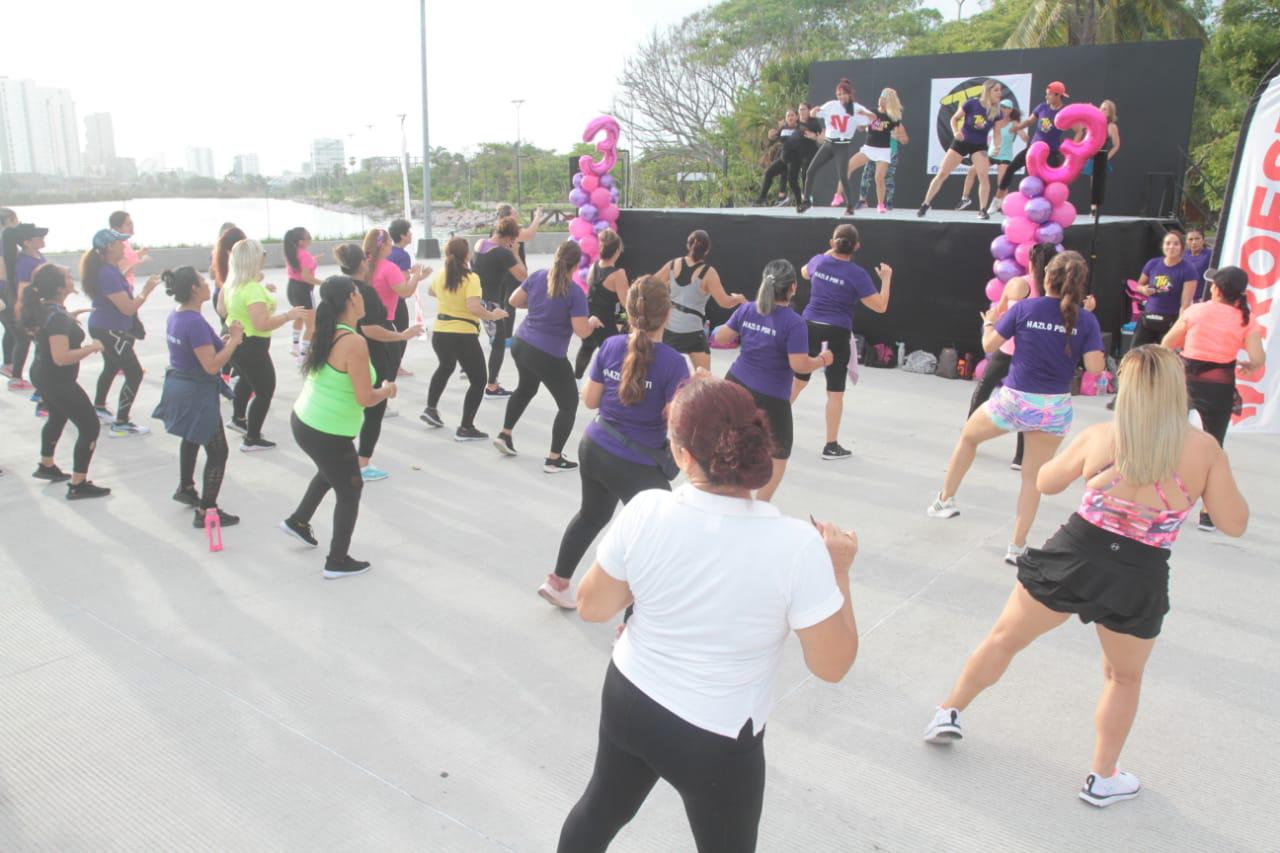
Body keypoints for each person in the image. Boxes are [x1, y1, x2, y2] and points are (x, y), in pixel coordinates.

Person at [924, 345, 1249, 808]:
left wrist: (1093, 468)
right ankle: (1102, 777)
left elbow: (1046, 482)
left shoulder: (1102, 436)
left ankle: (948, 712)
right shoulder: (1204, 450)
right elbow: (1234, 523)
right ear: (1179, 390)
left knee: (1004, 639)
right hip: (1139, 571)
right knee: (1122, 678)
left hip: (1076, 552)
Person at [557, 374, 859, 851]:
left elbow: (592, 606)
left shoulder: (647, 510)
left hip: (631, 696)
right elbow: (832, 665)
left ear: (681, 454)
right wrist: (839, 569)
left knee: (599, 809)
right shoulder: (796, 545)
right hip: (717, 736)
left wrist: (648, 579)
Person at [929, 251, 1105, 566]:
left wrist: (988, 322)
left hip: (1015, 400)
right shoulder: (1086, 319)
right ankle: (1017, 546)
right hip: (1054, 407)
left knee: (968, 437)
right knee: (1031, 478)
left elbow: (989, 346)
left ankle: (945, 500)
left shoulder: (1025, 308)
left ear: (1046, 277)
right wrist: (1085, 325)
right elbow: (1094, 368)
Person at [540, 275, 690, 608]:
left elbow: (591, 400)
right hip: (635, 465)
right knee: (655, 539)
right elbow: (677, 422)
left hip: (595, 447)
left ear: (629, 310)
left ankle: (557, 582)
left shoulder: (609, 346)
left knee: (591, 515)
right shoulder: (673, 362)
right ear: (667, 315)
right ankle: (634, 624)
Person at [280, 276, 397, 579]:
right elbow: (365, 397)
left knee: (330, 471)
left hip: (306, 420)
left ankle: (298, 521)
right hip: (326, 431)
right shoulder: (353, 342)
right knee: (350, 490)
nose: (363, 297)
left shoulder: (329, 330)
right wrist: (386, 390)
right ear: (350, 299)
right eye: (358, 293)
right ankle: (337, 561)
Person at [713, 260, 831, 502]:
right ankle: (760, 506)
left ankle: (728, 497)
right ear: (793, 288)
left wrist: (718, 328)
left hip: (735, 386)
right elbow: (799, 365)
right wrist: (822, 360)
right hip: (771, 398)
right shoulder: (794, 322)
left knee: (732, 443)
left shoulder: (747, 309)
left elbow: (721, 337)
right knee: (779, 455)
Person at [1161, 266, 1264, 531]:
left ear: (1216, 289)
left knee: (1168, 439)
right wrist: (1249, 365)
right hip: (1219, 386)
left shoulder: (1196, 311)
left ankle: (1159, 500)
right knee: (1215, 448)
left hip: (1184, 383)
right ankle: (1208, 514)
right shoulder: (1246, 319)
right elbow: (1258, 358)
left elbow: (1167, 343)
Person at [493, 240, 600, 471]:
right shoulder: (574, 292)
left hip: (522, 343)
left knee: (526, 388)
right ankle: (554, 458)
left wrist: (536, 305)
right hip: (547, 353)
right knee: (568, 403)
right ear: (576, 265)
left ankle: (505, 434)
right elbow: (582, 331)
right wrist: (591, 322)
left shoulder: (538, 276)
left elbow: (514, 301)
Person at [151, 266, 244, 527]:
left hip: (181, 387)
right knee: (218, 452)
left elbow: (199, 350)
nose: (207, 284)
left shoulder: (177, 315)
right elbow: (212, 365)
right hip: (197, 394)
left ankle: (186, 487)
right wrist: (234, 340)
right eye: (202, 281)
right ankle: (206, 510)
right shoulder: (194, 322)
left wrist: (223, 341)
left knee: (191, 437)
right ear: (194, 288)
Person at [791, 225, 892, 460]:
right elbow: (881, 306)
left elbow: (804, 272)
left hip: (808, 326)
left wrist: (829, 252)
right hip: (836, 331)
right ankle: (831, 446)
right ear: (856, 247)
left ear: (832, 243)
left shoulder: (819, 261)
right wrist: (886, 280)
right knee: (835, 393)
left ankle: (770, 430)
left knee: (797, 382)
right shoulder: (857, 274)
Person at [332, 243, 422, 481]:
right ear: (363, 262)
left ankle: (343, 458)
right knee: (373, 412)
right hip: (369, 356)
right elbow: (370, 329)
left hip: (342, 354)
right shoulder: (364, 292)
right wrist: (401, 336)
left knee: (348, 407)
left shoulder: (336, 287)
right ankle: (362, 464)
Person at [967, 243, 1059, 471]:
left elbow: (1000, 311)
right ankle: (1020, 457)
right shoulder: (1057, 291)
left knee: (985, 386)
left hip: (1009, 347)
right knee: (1027, 399)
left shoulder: (1017, 284)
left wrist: (990, 322)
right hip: (1034, 352)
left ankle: (970, 433)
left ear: (1030, 262)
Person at [22, 263, 110, 499]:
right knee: (90, 427)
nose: (72, 278)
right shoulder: (57, 318)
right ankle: (78, 484)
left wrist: (69, 317)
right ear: (60, 288)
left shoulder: (47, 309)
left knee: (57, 416)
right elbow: (61, 358)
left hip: (42, 373)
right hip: (57, 379)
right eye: (68, 276)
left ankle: (46, 465)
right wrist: (92, 347)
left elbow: (50, 331)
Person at [218, 238, 309, 450]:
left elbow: (222, 310)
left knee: (246, 380)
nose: (264, 258)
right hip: (252, 345)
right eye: (262, 254)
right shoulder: (252, 289)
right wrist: (288, 315)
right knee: (265, 390)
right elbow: (262, 324)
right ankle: (252, 438)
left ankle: (238, 418)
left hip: (235, 339)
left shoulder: (232, 284)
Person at [419, 237, 508, 441]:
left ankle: (431, 408)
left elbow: (431, 291)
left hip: (440, 332)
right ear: (467, 255)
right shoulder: (471, 278)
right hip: (462, 334)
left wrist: (449, 298)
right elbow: (474, 307)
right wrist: (493, 315)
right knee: (479, 380)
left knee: (445, 366)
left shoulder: (441, 274)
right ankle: (466, 427)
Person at [82, 228, 161, 435]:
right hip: (111, 330)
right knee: (134, 373)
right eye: (120, 243)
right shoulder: (107, 273)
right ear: (109, 247)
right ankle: (121, 422)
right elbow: (127, 308)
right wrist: (146, 290)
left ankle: (99, 407)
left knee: (111, 366)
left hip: (105, 327)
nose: (124, 246)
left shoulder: (109, 269)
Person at [654, 230, 747, 372]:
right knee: (704, 377)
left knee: (660, 372)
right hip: (692, 332)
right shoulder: (709, 272)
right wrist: (738, 298)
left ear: (688, 245)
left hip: (669, 329)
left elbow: (650, 284)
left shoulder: (673, 264)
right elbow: (724, 302)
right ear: (707, 250)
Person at [918, 79, 1004, 219]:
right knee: (942, 173)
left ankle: (982, 210)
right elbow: (954, 119)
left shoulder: (997, 112)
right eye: (996, 90)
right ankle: (925, 204)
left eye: (1000, 90)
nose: (999, 93)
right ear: (987, 91)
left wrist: (997, 146)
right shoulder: (972, 103)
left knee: (983, 176)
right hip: (962, 142)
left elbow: (997, 133)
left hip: (979, 146)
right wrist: (955, 132)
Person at [798, 79, 876, 215]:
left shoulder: (856, 108)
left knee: (843, 177)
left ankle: (850, 207)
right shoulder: (832, 105)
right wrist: (814, 111)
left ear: (849, 94)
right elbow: (814, 114)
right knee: (810, 170)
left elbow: (873, 118)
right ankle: (806, 201)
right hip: (828, 144)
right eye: (839, 94)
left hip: (842, 146)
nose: (841, 97)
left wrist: (865, 114)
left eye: (843, 94)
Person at [472, 216, 529, 398]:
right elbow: (522, 276)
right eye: (512, 240)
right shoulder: (503, 253)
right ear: (509, 237)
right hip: (491, 304)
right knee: (498, 344)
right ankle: (492, 386)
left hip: (474, 298)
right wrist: (515, 253)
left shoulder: (480, 244)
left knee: (474, 337)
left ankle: (472, 370)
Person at [363, 228, 429, 380]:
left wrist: (415, 277)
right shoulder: (389, 268)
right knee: (385, 375)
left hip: (362, 322)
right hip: (383, 322)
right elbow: (405, 292)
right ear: (383, 246)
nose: (391, 247)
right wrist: (416, 275)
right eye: (389, 243)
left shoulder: (364, 265)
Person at [994, 81, 1070, 203]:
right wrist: (1017, 127)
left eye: (1049, 94)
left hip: (1051, 153)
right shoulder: (1042, 107)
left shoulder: (1064, 112)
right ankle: (996, 201)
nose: (1046, 96)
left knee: (1051, 183)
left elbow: (1078, 130)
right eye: (1046, 94)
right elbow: (1029, 121)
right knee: (1010, 168)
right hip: (1033, 150)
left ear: (1057, 95)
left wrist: (1070, 150)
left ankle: (1048, 206)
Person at [573, 229, 629, 379]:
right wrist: (626, 320)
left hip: (589, 314)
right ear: (617, 251)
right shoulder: (618, 274)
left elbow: (595, 292)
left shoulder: (594, 266)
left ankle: (576, 380)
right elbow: (625, 303)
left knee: (587, 347)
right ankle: (612, 383)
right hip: (605, 320)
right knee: (615, 353)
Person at [844, 88, 908, 214]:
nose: (880, 100)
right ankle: (854, 200)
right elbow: (861, 127)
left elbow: (904, 139)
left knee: (879, 178)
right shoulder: (872, 112)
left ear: (888, 101)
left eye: (883, 99)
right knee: (851, 168)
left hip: (884, 151)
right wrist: (856, 122)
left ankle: (882, 204)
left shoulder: (892, 118)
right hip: (869, 149)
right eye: (880, 98)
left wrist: (897, 136)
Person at [3, 222, 50, 391]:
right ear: (27, 242)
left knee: (38, 343)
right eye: (39, 237)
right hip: (28, 309)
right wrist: (21, 314)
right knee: (25, 340)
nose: (43, 238)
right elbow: (22, 291)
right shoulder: (24, 263)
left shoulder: (37, 255)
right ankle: (16, 379)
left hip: (39, 306)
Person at [958, 101, 1023, 212]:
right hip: (991, 155)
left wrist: (1025, 136)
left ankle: (1005, 206)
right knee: (972, 171)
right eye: (1001, 107)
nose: (1002, 109)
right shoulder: (994, 119)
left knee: (1002, 183)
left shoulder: (1014, 123)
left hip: (1005, 157)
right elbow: (981, 126)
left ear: (1010, 110)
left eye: (1005, 107)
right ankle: (965, 198)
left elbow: (1023, 135)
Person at [283, 227, 322, 359]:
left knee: (299, 316)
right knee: (311, 326)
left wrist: (313, 259)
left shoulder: (292, 252)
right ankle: (303, 355)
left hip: (292, 288)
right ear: (301, 241)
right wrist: (323, 283)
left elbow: (300, 266)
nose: (310, 240)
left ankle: (295, 345)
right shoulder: (304, 255)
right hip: (304, 290)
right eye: (308, 237)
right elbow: (306, 277)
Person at [1079, 99, 1120, 214]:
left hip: (1102, 156)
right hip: (1092, 156)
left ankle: (1095, 207)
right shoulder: (1094, 123)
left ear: (1110, 113)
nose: (1101, 110)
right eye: (1100, 108)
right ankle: (1093, 208)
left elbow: (1116, 145)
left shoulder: (1111, 127)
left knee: (1098, 183)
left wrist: (1107, 157)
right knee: (1093, 183)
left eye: (1105, 109)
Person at [387, 218, 417, 376]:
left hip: (385, 298)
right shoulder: (403, 256)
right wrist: (417, 276)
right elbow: (404, 283)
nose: (411, 234)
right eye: (409, 232)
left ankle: (388, 363)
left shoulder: (388, 252)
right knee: (402, 332)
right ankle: (396, 366)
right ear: (402, 236)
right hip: (397, 300)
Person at [755, 110, 799, 206]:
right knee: (768, 173)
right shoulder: (783, 129)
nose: (790, 118)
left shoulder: (800, 128)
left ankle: (787, 196)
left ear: (796, 117)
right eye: (788, 116)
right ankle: (762, 197)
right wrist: (770, 137)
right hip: (784, 158)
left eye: (792, 115)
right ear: (786, 118)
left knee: (787, 171)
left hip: (796, 159)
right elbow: (771, 141)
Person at [211, 225, 247, 323]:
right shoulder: (235, 261)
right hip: (228, 296)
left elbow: (212, 276)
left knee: (228, 326)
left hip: (220, 294)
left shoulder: (218, 254)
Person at [108, 210, 150, 286]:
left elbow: (127, 258)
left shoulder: (124, 242)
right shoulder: (116, 245)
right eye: (128, 224)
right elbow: (122, 271)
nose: (132, 226)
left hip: (127, 285)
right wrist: (142, 260)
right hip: (121, 286)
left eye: (132, 223)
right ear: (117, 229)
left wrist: (140, 253)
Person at [1184, 229, 1212, 299]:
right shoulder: (1182, 255)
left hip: (1203, 297)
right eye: (1190, 239)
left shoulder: (1211, 254)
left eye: (1197, 239)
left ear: (1203, 240)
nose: (1194, 242)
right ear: (1186, 241)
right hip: (1185, 297)